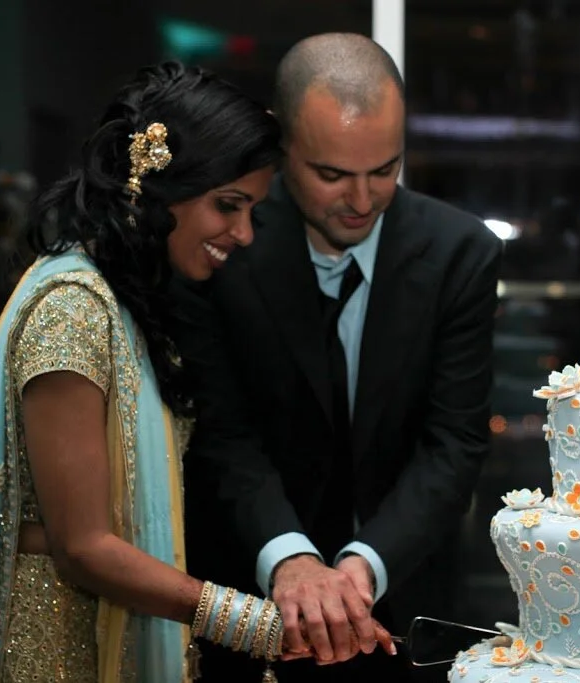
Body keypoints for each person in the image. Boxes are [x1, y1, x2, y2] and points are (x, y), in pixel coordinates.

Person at [0, 61, 395, 683]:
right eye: (228, 206)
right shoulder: (72, 308)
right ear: (153, 188)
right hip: (61, 651)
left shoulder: (129, 302)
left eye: (252, 211)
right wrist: (259, 625)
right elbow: (82, 547)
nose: (243, 234)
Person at [185, 33, 503, 682]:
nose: (362, 201)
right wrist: (290, 557)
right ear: (280, 143)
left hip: (402, 610)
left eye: (384, 169)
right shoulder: (225, 244)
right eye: (332, 175)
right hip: (249, 607)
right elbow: (222, 434)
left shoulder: (462, 254)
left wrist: (362, 568)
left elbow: (454, 443)